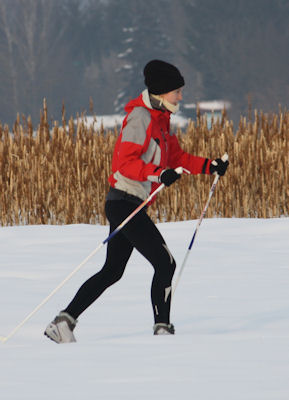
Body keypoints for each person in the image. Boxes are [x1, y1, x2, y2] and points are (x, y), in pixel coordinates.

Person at [44, 59, 229, 343]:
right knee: (165, 263)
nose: (181, 96)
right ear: (161, 92)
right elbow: (124, 164)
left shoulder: (161, 121)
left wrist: (210, 166)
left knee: (112, 271)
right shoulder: (140, 118)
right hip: (123, 202)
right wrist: (158, 174)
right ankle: (163, 329)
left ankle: (63, 322)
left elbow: (178, 159)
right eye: (177, 91)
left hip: (131, 203)